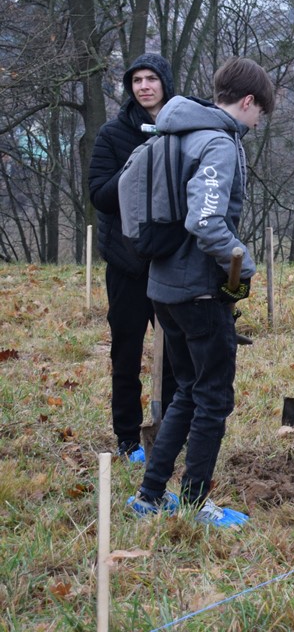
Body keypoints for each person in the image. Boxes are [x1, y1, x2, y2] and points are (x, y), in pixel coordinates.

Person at [127, 56, 274, 528]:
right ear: (248, 102)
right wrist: (242, 264)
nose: (257, 122)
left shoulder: (173, 131)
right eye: (259, 113)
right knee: (212, 396)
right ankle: (194, 503)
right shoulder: (217, 143)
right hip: (199, 292)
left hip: (162, 285)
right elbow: (206, 222)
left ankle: (149, 496)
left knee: (186, 390)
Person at [88, 54, 177, 464]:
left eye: (151, 79)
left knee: (176, 353)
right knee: (126, 354)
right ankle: (128, 438)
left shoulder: (183, 128)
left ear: (165, 83)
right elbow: (100, 196)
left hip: (172, 261)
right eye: (137, 80)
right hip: (126, 263)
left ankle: (172, 430)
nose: (144, 86)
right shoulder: (112, 134)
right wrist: (136, 166)